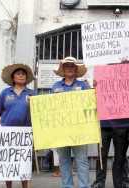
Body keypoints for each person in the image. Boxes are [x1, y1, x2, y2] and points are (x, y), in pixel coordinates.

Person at [51, 56, 90, 188]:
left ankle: (85, 186)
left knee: (82, 160)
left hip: (79, 129)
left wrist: (93, 91)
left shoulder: (83, 85)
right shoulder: (55, 87)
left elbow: (89, 105)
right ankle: (67, 186)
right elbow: (50, 108)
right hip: (61, 129)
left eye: (72, 66)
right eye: (66, 66)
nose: (69, 68)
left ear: (76, 69)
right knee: (64, 160)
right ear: (63, 69)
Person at [0, 63, 36, 188]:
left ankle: (25, 186)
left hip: (26, 133)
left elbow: (38, 113)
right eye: (18, 74)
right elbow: (0, 110)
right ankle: (9, 186)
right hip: (8, 134)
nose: (21, 76)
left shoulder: (32, 93)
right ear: (13, 77)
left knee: (24, 163)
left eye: (23, 74)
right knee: (9, 163)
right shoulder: (5, 93)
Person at [91, 118, 129, 188]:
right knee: (102, 155)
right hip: (104, 125)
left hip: (120, 124)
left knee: (122, 155)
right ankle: (99, 181)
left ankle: (124, 180)